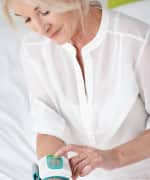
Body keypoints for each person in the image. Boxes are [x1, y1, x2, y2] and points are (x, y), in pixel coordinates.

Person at [3, 0, 150, 179]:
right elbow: (47, 123)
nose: (41, 29)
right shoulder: (34, 48)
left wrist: (113, 157)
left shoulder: (138, 40)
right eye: (27, 19)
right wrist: (54, 175)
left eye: (44, 12)